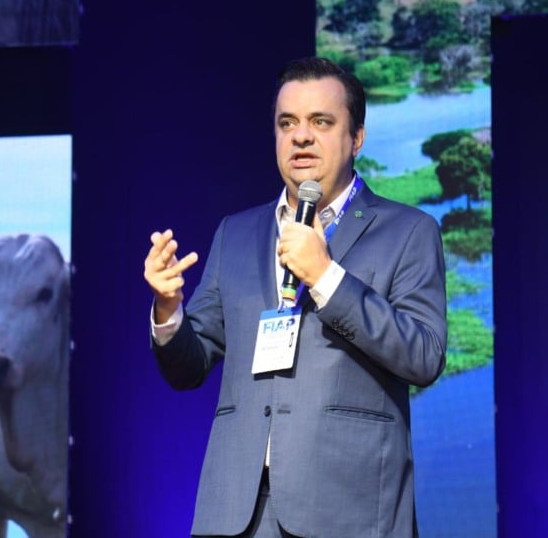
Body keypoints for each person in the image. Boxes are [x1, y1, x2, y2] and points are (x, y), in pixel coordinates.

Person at [142, 56, 447, 538]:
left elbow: (424, 355)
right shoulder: (236, 233)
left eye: (321, 122)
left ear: (357, 137)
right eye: (288, 123)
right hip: (237, 514)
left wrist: (326, 277)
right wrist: (167, 311)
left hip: (349, 508)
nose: (301, 136)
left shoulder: (408, 231)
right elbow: (188, 366)